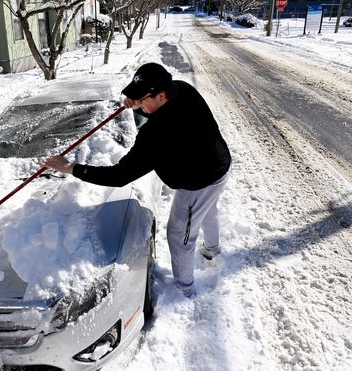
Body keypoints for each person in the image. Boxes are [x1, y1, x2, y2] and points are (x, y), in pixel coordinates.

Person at [40, 63, 231, 298]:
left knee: (179, 234)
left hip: (200, 181)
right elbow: (160, 111)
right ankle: (212, 249)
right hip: (219, 163)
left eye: (142, 100)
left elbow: (120, 175)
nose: (138, 104)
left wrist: (72, 168)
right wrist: (139, 106)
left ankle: (184, 288)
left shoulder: (157, 134)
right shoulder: (181, 89)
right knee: (208, 209)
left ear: (161, 95)